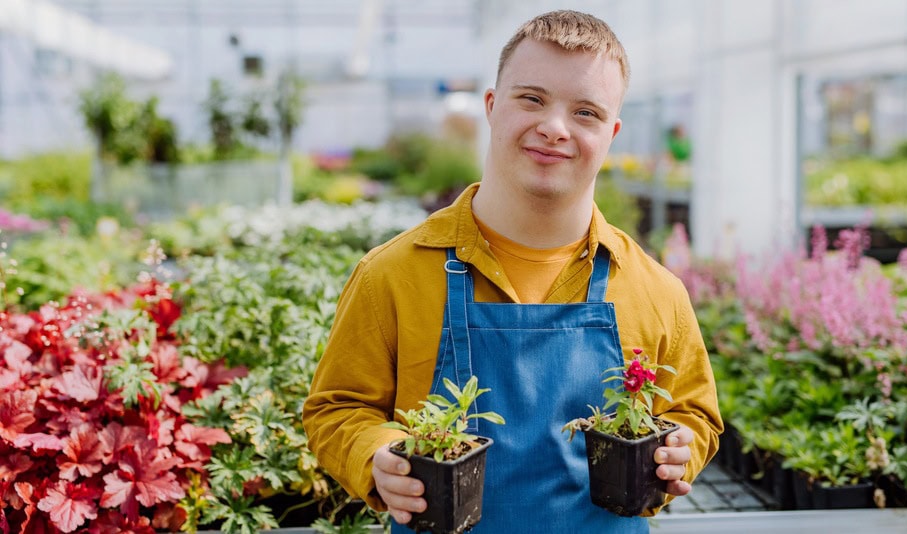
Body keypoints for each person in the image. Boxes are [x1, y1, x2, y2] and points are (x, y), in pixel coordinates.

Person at [303, 9, 722, 533]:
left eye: (586, 112)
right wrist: (377, 455)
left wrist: (678, 451)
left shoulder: (655, 291)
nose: (553, 128)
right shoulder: (392, 275)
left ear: (612, 133)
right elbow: (337, 408)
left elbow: (694, 414)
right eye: (533, 98)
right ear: (492, 106)